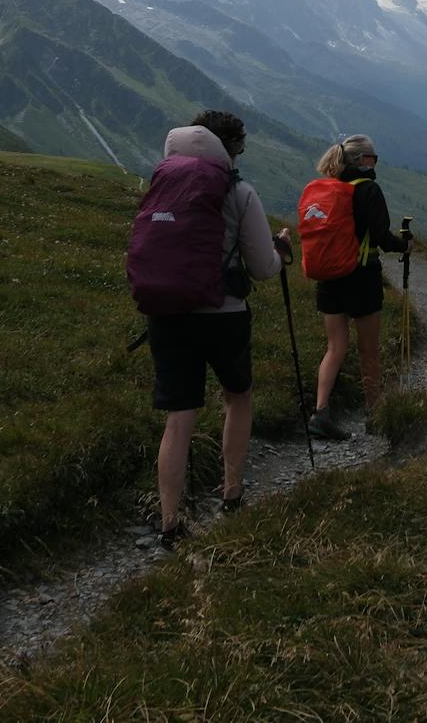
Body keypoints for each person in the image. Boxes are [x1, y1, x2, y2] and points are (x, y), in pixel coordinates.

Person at [139, 110, 291, 546]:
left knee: (179, 416)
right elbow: (263, 268)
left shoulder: (160, 182)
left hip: (166, 314)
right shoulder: (238, 191)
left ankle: (171, 522)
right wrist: (282, 250)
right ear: (231, 147)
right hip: (224, 314)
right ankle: (232, 492)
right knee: (237, 397)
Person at [307, 133, 410, 441]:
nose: (375, 162)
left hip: (329, 278)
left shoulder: (329, 190)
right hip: (362, 277)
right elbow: (381, 237)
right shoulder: (369, 190)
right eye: (374, 158)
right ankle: (375, 414)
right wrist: (404, 245)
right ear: (363, 160)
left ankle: (320, 413)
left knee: (335, 348)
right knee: (368, 351)